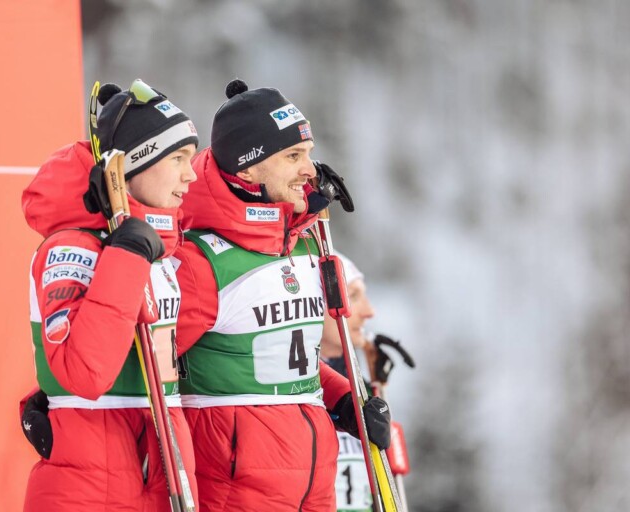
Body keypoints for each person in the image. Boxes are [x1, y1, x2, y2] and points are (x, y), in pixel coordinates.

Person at [172, 79, 391, 511]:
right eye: (293, 156)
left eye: (308, 154)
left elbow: (290, 359)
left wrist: (346, 399)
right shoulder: (201, 261)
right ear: (248, 169)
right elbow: (142, 364)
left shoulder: (303, 244)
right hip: (238, 491)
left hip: (314, 483)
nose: (310, 170)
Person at [20, 79, 199, 511]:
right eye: (177, 158)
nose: (190, 174)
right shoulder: (71, 246)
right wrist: (127, 255)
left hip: (163, 470)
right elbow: (86, 372)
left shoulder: (161, 248)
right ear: (132, 165)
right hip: (92, 486)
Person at [319, 253, 378, 511]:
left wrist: (376, 385)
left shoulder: (357, 380)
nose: (368, 312)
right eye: (353, 297)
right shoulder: (291, 389)